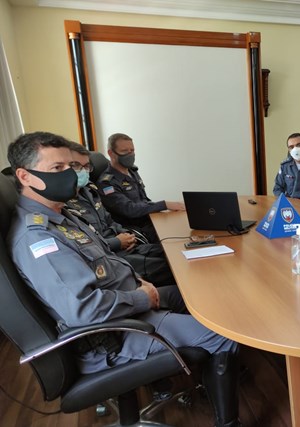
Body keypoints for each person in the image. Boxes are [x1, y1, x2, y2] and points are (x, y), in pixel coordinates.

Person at [7, 132, 240, 427]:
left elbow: (108, 262)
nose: (70, 174)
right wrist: (142, 298)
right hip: (112, 335)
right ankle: (228, 421)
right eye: (57, 168)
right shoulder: (38, 238)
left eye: (71, 166)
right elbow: (84, 310)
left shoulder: (61, 215)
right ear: (25, 176)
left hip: (124, 305)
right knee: (223, 335)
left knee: (193, 296)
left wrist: (140, 283)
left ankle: (209, 375)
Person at [66, 141, 176, 287]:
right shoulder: (64, 204)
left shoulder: (90, 191)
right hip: (111, 256)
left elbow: (109, 220)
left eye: (86, 166)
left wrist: (126, 235)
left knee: (174, 253)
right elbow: (84, 245)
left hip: (125, 244)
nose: (83, 171)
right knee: (172, 267)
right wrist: (117, 241)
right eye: (76, 166)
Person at [96, 133, 185, 243]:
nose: (130, 154)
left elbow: (144, 200)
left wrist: (169, 207)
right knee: (175, 242)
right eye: (124, 151)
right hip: (134, 231)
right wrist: (164, 204)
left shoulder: (132, 171)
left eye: (132, 150)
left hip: (149, 220)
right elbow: (130, 210)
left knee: (183, 229)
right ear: (111, 153)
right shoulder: (107, 183)